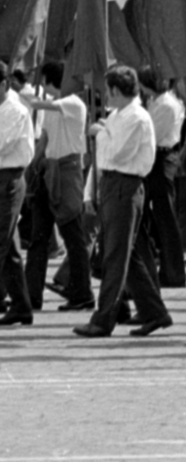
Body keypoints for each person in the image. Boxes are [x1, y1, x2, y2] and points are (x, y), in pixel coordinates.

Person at [74, 65, 170, 338]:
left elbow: (118, 153)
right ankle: (154, 311)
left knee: (114, 255)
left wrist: (100, 133)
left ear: (117, 90)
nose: (106, 95)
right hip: (113, 185)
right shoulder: (119, 115)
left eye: (108, 90)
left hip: (125, 186)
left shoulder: (136, 118)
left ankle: (104, 319)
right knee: (129, 253)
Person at [20, 61, 92, 314]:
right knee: (39, 237)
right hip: (49, 170)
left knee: (74, 236)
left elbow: (42, 104)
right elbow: (45, 139)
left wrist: (22, 94)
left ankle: (82, 294)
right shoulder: (52, 106)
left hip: (68, 171)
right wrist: (33, 165)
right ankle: (31, 295)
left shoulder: (73, 103)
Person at [141, 68, 186, 288]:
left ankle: (173, 272)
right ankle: (163, 267)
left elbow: (153, 135)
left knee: (166, 216)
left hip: (162, 157)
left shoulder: (166, 105)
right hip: (157, 158)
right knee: (154, 215)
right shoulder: (158, 102)